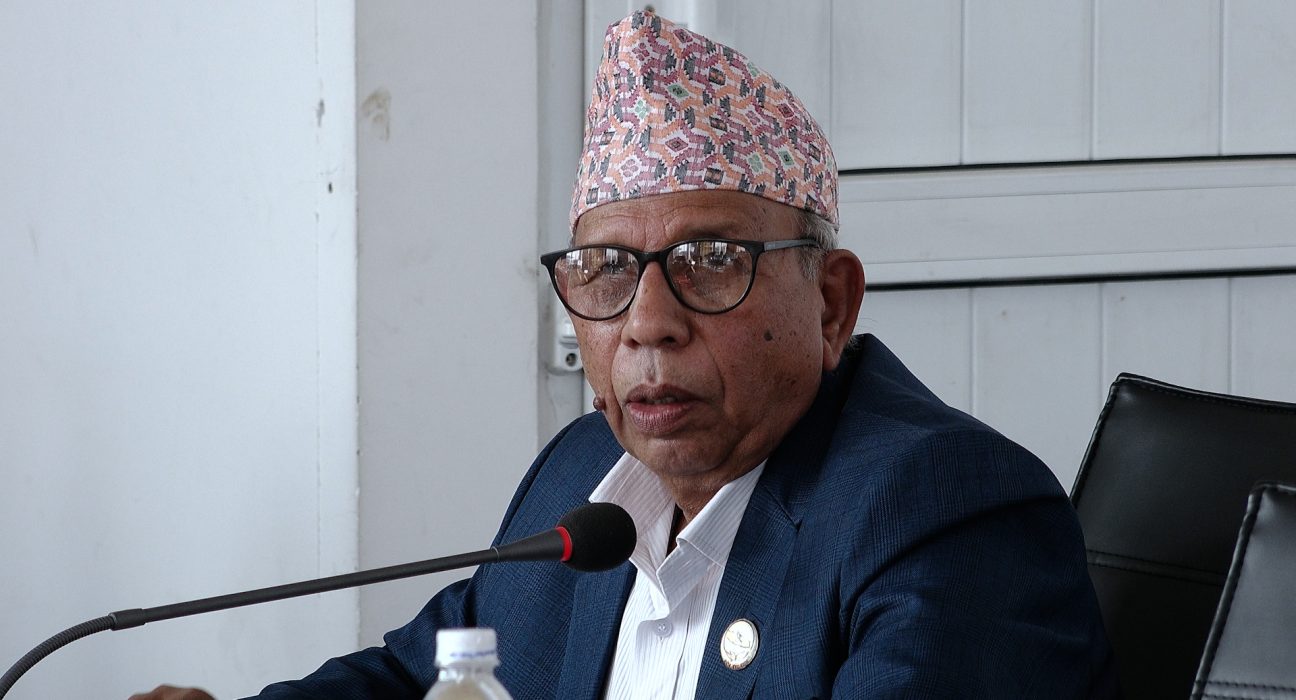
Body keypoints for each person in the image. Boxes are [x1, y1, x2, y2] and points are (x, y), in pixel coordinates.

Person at [136, 10, 1118, 699]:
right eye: (606, 270)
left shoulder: (942, 513)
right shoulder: (584, 478)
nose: (647, 323)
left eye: (709, 261)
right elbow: (419, 675)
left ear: (831, 303)